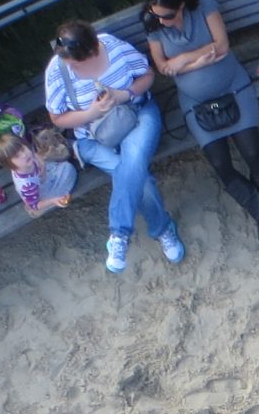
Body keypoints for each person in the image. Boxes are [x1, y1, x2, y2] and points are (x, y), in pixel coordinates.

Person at [143, 0, 259, 247]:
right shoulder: (153, 23)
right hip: (195, 102)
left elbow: (222, 46)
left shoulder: (202, 4)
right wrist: (198, 60)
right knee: (221, 166)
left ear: (182, 6)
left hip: (233, 88)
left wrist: (183, 60)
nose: (161, 21)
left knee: (253, 154)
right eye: (156, 15)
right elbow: (164, 67)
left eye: (167, 16)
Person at [44, 19, 184, 274]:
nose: (71, 66)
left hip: (136, 113)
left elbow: (147, 75)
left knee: (133, 159)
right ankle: (162, 228)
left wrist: (123, 95)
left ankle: (119, 234)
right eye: (68, 62)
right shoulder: (57, 69)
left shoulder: (112, 46)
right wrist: (91, 113)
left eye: (76, 63)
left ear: (94, 50)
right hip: (92, 135)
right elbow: (57, 118)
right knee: (137, 175)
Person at [0, 128, 80, 218]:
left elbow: (34, 154)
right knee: (69, 171)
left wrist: (40, 162)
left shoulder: (25, 161)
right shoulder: (27, 185)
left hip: (41, 175)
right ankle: (46, 206)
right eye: (17, 156)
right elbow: (34, 205)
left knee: (66, 167)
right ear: (10, 165)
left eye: (22, 149)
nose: (24, 155)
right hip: (40, 192)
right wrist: (53, 201)